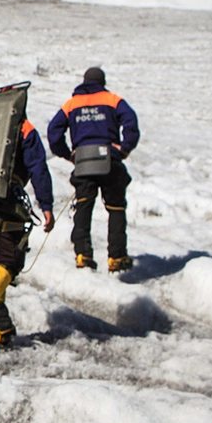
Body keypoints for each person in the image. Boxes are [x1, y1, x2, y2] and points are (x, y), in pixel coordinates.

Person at [47, 67, 140, 272]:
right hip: (110, 160)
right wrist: (124, 149)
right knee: (115, 209)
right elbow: (131, 123)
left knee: (84, 207)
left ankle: (83, 254)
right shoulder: (113, 100)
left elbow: (53, 132)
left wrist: (68, 154)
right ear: (102, 82)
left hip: (84, 162)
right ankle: (117, 257)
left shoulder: (72, 104)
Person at [0, 115, 55, 345]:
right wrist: (46, 205)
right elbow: (37, 166)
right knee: (7, 260)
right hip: (9, 202)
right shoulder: (24, 128)